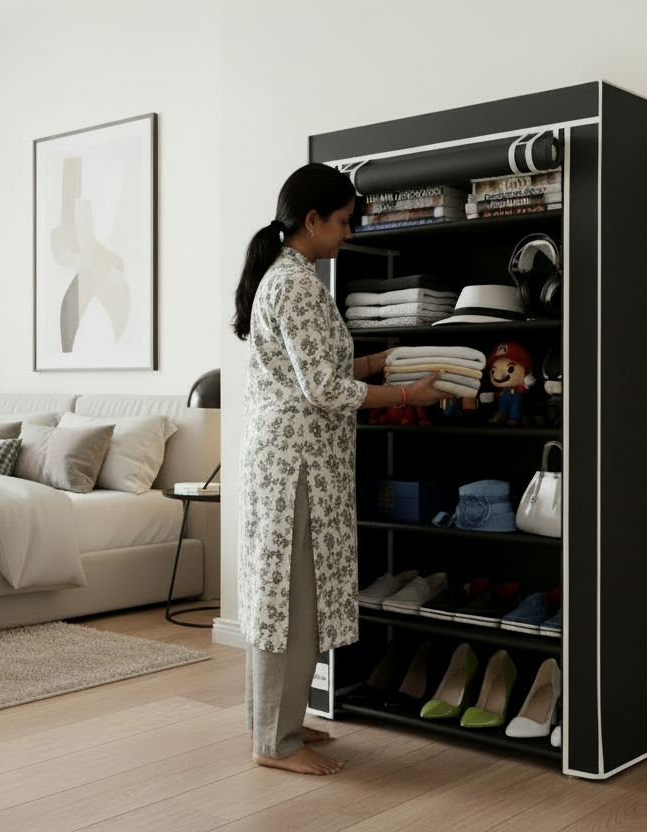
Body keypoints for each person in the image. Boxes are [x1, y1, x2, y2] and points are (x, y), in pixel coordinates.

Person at [232, 163, 449, 775]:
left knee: (287, 596)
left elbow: (311, 373)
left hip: (294, 461)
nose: (348, 234)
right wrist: (408, 396)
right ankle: (273, 744)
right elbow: (323, 389)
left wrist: (379, 360)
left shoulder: (289, 277)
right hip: (294, 465)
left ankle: (278, 723)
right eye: (344, 222)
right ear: (312, 220)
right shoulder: (296, 285)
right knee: (292, 602)